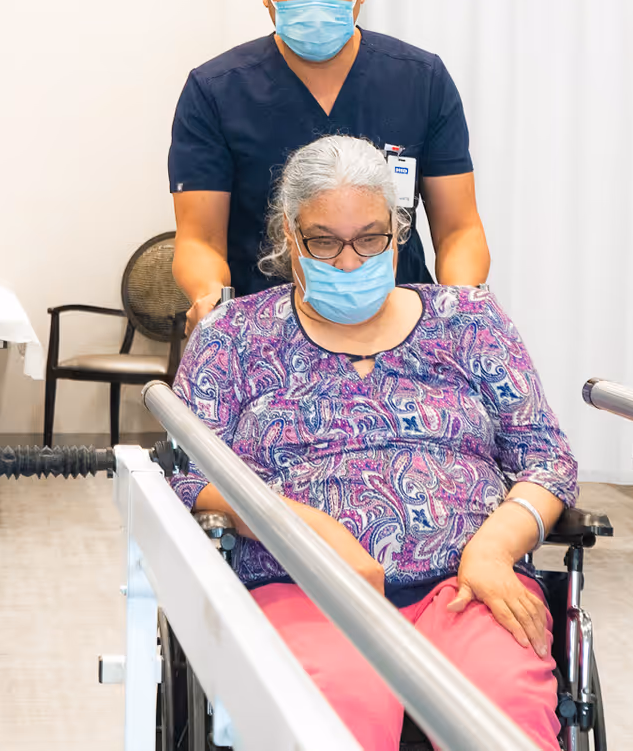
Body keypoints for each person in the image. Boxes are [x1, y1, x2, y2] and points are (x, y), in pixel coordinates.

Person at [169, 135, 577, 750]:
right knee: (333, 719)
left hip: (468, 585)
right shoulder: (235, 335)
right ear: (290, 234)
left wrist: (494, 550)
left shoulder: (469, 322)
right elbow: (181, 473)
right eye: (324, 241)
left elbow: (547, 457)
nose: (351, 261)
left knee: (502, 720)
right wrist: (306, 532)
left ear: (399, 229)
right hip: (301, 585)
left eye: (370, 237)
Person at [169, 0, 491, 331]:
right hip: (268, 333)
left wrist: (459, 307)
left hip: (400, 328)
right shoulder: (215, 91)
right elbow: (199, 239)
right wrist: (210, 297)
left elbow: (459, 230)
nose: (315, 1)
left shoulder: (420, 80)